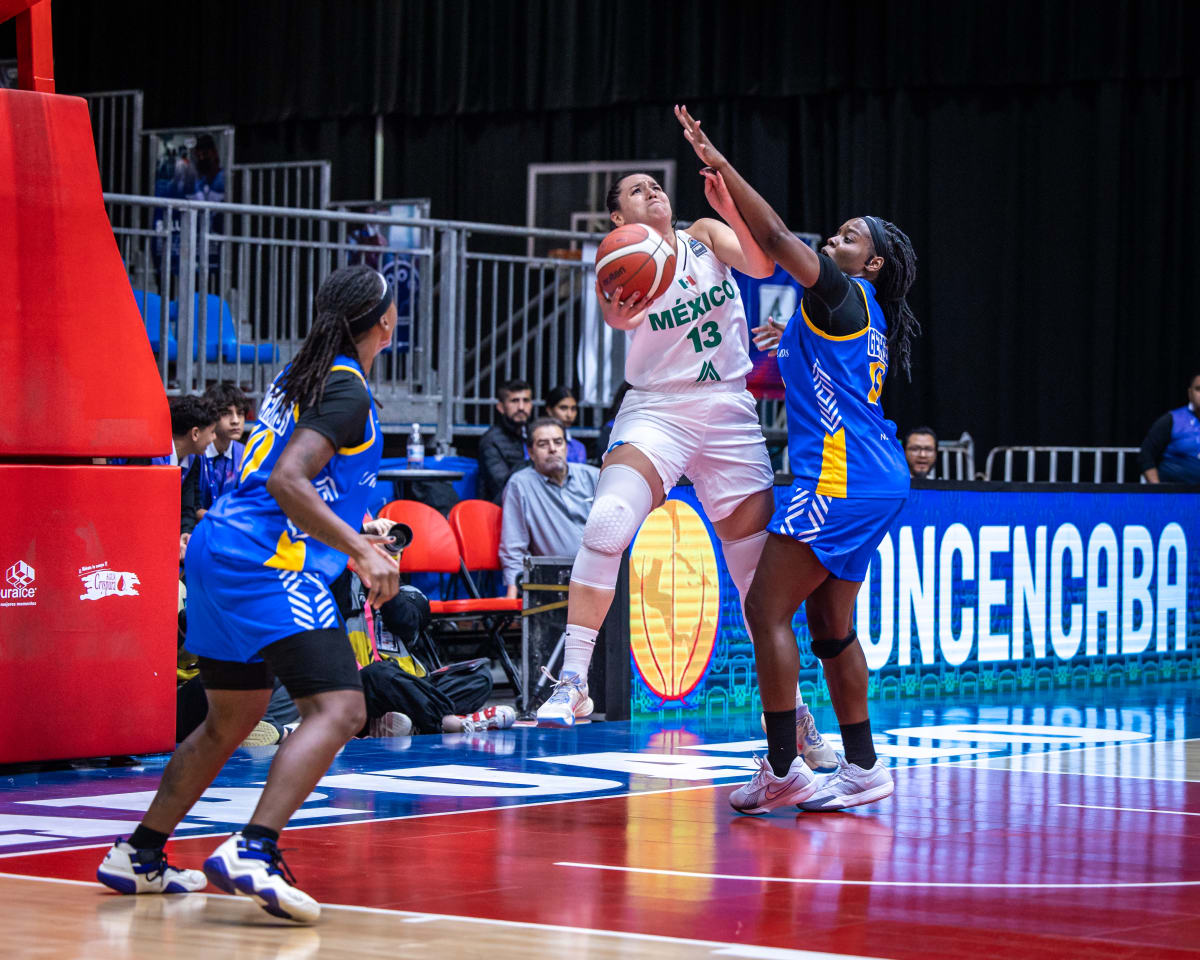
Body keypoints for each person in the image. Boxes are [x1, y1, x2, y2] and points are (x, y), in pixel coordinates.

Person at [96, 265, 400, 922]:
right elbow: (289, 481)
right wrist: (362, 548)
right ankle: (254, 848)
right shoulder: (346, 392)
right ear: (385, 322)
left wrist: (354, 530)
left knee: (231, 718)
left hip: (217, 548)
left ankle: (140, 853)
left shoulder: (302, 377)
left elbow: (297, 480)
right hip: (266, 560)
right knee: (342, 709)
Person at [533, 159, 837, 772]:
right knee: (608, 522)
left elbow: (761, 264)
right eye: (636, 190)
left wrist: (727, 203)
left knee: (759, 589)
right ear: (618, 216)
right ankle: (573, 681)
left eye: (655, 184)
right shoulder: (617, 256)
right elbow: (618, 316)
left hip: (727, 409)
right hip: (657, 409)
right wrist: (621, 293)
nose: (653, 190)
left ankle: (795, 716)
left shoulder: (704, 233)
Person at [675, 104, 919, 814]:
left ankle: (784, 766)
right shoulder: (855, 309)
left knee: (765, 608)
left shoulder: (839, 292)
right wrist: (791, 341)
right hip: (878, 478)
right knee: (832, 629)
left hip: (840, 481)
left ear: (869, 263)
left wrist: (716, 161)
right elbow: (826, 372)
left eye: (848, 239)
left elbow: (775, 234)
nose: (834, 239)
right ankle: (865, 765)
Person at [499, 417, 600, 599]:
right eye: (543, 444)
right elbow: (513, 546)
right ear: (531, 452)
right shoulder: (520, 484)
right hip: (556, 584)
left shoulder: (593, 477)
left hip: (602, 576)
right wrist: (513, 591)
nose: (553, 449)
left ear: (566, 447)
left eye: (558, 442)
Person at [193, 381, 249, 519]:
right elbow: (187, 507)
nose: (235, 421)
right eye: (226, 413)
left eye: (240, 413)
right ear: (211, 415)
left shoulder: (245, 454)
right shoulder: (195, 452)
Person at [477, 378, 532, 503]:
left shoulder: (534, 434)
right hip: (499, 509)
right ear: (501, 407)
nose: (521, 407)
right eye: (514, 401)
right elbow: (503, 486)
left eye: (526, 401)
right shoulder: (491, 440)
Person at [1140, 372, 1200, 483]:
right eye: (1198, 389)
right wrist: (1158, 491)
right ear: (1190, 393)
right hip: (1176, 495)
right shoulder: (1172, 419)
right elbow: (1146, 455)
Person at [544, 385, 588, 463]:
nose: (569, 415)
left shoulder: (578, 447)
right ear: (549, 410)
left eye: (573, 409)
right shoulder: (537, 443)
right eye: (563, 408)